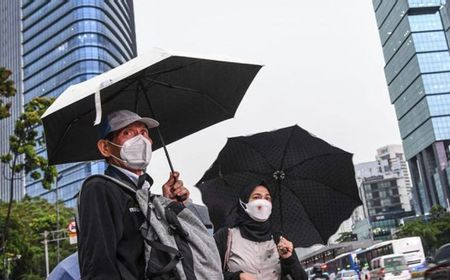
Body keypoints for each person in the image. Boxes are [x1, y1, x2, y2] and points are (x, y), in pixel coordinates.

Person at [77, 110, 190, 279]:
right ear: (105, 147)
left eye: (143, 132)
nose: (140, 139)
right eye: (128, 132)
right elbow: (99, 265)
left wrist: (167, 204)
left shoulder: (142, 193)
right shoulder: (99, 189)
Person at [214, 182, 307, 280]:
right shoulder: (226, 237)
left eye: (267, 198)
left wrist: (288, 259)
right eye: (256, 197)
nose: (263, 202)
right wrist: (237, 277)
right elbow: (207, 274)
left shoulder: (279, 240)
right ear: (243, 203)